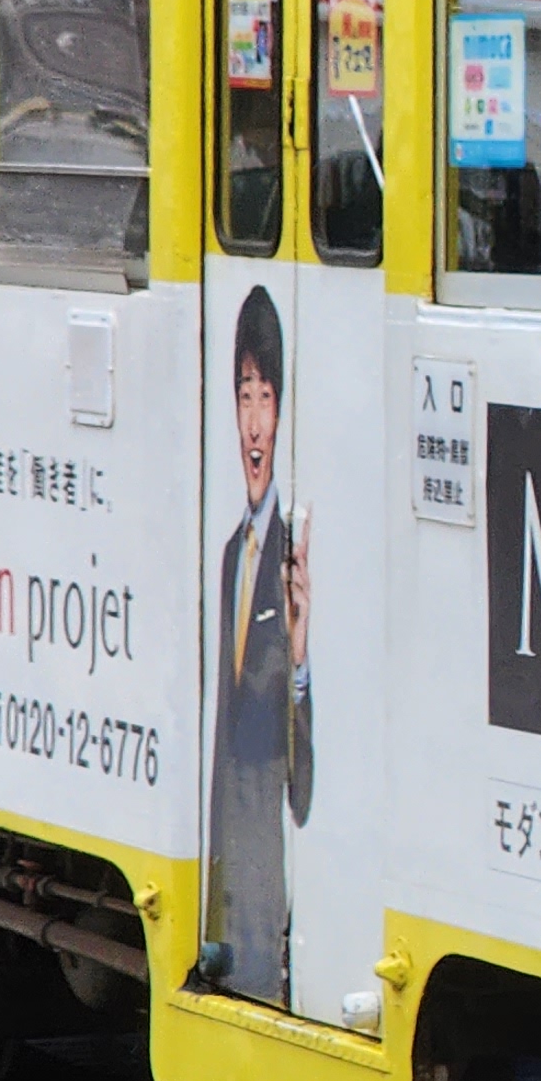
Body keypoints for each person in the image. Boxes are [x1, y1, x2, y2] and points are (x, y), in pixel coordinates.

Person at [204, 285, 313, 1004]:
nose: (252, 421)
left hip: (266, 877)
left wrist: (300, 663)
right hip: (224, 871)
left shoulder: (290, 558)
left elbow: (302, 791)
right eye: (243, 396)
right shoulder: (230, 556)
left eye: (265, 398)